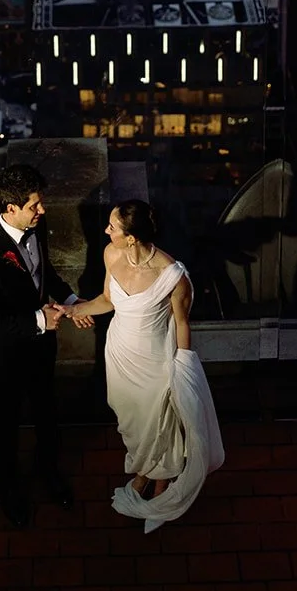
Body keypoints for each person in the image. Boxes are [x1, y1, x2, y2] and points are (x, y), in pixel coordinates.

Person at [69, 199, 224, 532]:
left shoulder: (173, 275)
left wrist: (183, 366)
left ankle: (158, 484)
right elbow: (108, 300)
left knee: (160, 423)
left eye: (112, 226)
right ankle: (146, 474)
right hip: (120, 354)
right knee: (135, 423)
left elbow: (182, 322)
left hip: (155, 360)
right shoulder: (112, 254)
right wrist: (74, 311)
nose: (106, 230)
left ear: (131, 238)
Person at [0, 162, 77, 528]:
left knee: (47, 411)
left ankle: (49, 473)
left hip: (42, 348)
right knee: (7, 422)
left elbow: (43, 273)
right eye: (35, 205)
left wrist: (73, 300)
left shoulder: (35, 226)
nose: (42, 211)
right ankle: (10, 491)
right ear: (10, 208)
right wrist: (38, 320)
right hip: (8, 355)